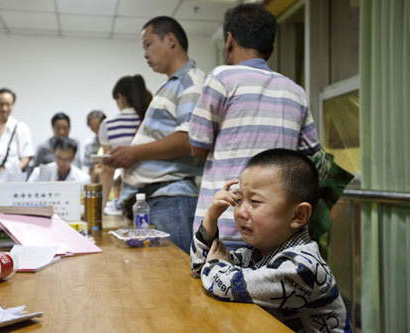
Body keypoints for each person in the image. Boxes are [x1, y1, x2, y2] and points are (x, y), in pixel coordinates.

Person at [188, 3, 321, 249]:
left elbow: (197, 147)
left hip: (228, 220)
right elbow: (310, 155)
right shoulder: (295, 91)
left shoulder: (222, 79)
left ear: (228, 40)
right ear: (270, 49)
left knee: (213, 284)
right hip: (278, 228)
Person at [190, 149, 351, 332]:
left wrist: (216, 264)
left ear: (298, 215)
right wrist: (210, 219)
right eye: (239, 199)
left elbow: (227, 285)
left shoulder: (302, 266)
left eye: (255, 201)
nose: (241, 211)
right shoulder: (258, 252)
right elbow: (200, 268)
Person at [103, 16, 205, 254]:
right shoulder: (171, 85)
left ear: (170, 40)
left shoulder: (191, 81)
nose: (145, 53)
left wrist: (133, 153)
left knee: (175, 281)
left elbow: (188, 139)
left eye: (148, 44)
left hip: (171, 199)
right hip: (159, 200)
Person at [98, 75, 152, 210]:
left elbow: (107, 169)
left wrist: (101, 207)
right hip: (155, 193)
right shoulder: (149, 120)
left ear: (120, 97)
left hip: (130, 194)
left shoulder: (109, 124)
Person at [83, 110, 106, 182]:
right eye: (93, 129)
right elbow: (90, 170)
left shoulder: (114, 142)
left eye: (98, 127)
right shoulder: (89, 144)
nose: (97, 131)